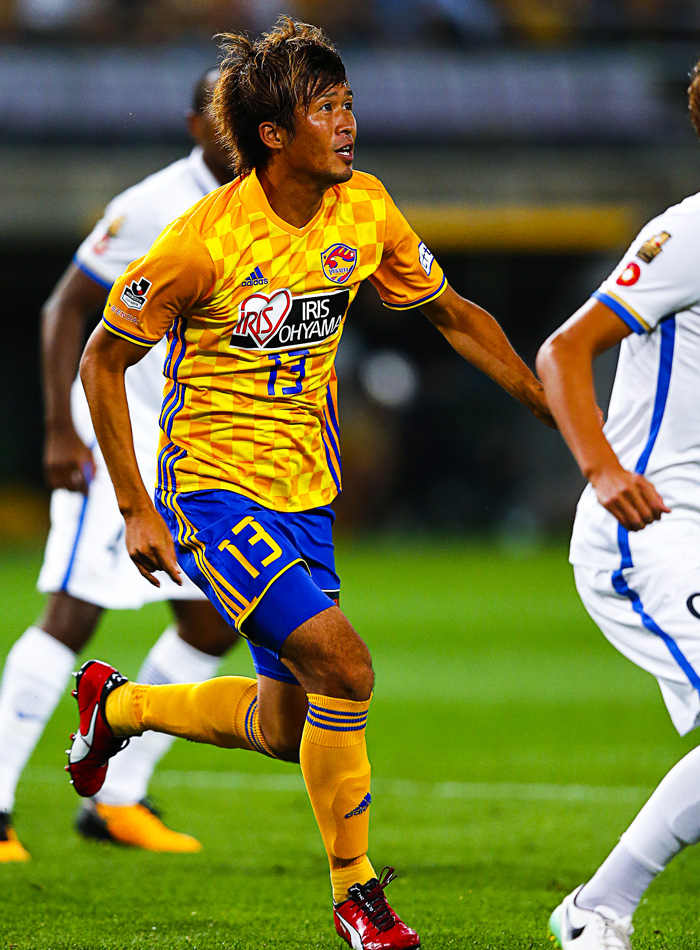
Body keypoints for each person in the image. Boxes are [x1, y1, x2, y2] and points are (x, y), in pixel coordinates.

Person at [70, 17, 553, 950]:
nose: (347, 123)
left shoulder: (364, 208)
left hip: (306, 496)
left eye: (348, 103)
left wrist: (548, 403)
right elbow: (101, 358)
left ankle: (118, 706)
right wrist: (136, 507)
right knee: (347, 668)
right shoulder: (203, 243)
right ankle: (357, 896)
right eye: (326, 108)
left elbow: (453, 315)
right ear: (273, 135)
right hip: (212, 492)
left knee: (291, 725)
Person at [0, 69, 240, 863]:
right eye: (221, 113)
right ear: (194, 125)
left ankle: (116, 799)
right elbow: (64, 307)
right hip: (115, 438)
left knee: (212, 622)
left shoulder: (264, 207)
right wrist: (57, 429)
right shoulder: (153, 205)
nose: (235, 126)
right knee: (71, 614)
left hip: (192, 453)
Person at [536, 59, 700, 950]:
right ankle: (598, 910)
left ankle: (595, 908)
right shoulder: (690, 233)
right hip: (651, 528)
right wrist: (602, 471)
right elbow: (563, 351)